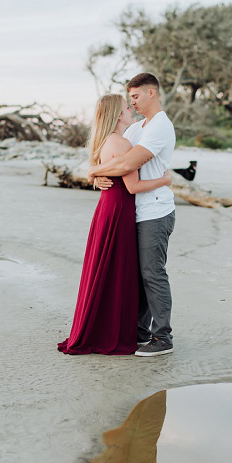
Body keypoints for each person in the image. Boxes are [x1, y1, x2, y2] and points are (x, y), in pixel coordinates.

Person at [58, 93, 171, 355]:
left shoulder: (109, 140)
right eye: (125, 106)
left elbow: (108, 171)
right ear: (118, 114)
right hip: (120, 208)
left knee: (108, 268)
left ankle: (106, 327)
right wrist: (165, 181)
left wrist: (93, 172)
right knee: (117, 269)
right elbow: (133, 186)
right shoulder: (120, 143)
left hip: (109, 207)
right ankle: (114, 331)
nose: (130, 108)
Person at [88, 73, 177, 357]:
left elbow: (128, 162)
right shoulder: (137, 128)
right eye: (129, 99)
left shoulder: (160, 127)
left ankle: (163, 338)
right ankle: (139, 332)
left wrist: (93, 171)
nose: (133, 103)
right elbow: (112, 158)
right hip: (136, 212)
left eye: (136, 97)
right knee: (138, 275)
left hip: (156, 210)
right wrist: (96, 175)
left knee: (153, 273)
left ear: (152, 93)